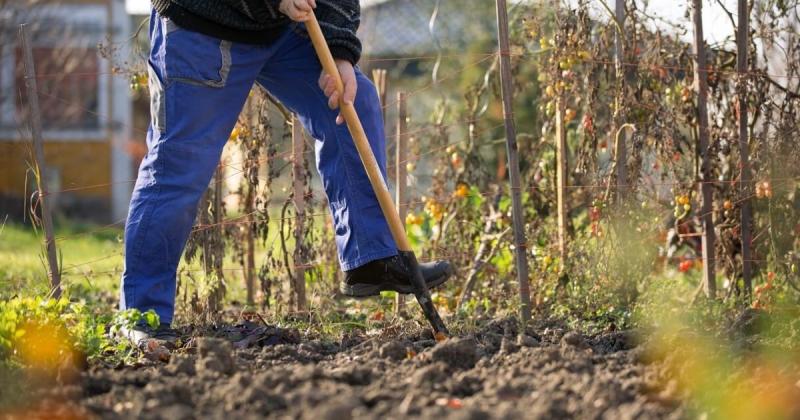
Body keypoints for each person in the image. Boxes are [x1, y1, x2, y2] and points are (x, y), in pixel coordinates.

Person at [120, 0, 453, 347]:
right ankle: (143, 317)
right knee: (178, 164)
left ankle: (370, 256)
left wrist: (339, 50)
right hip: (202, 24)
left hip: (277, 29)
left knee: (353, 100)